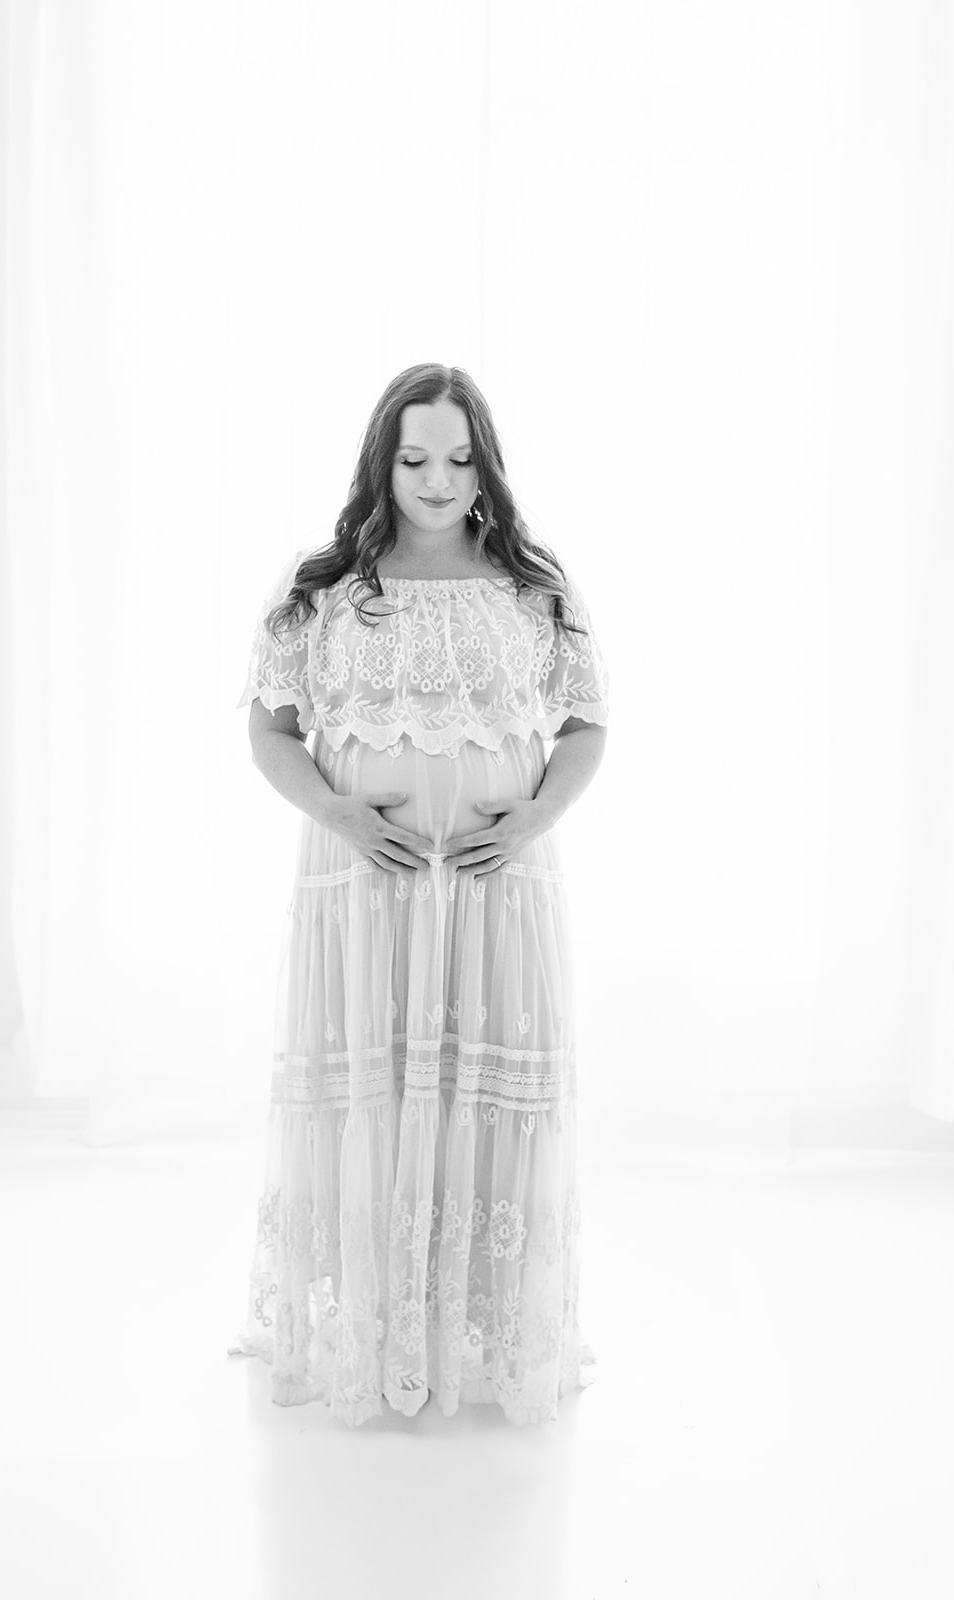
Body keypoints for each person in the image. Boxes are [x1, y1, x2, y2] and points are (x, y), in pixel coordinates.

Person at [227, 362, 609, 1428]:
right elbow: (268, 728)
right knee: (376, 1089)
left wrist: (531, 817)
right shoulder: (324, 589)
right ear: (379, 462)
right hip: (362, 893)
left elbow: (585, 724)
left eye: (455, 456)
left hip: (495, 892)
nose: (434, 479)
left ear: (483, 463)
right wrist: (341, 815)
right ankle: (371, 1323)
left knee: (476, 1097)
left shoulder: (534, 587)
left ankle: (475, 1324)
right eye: (411, 458)